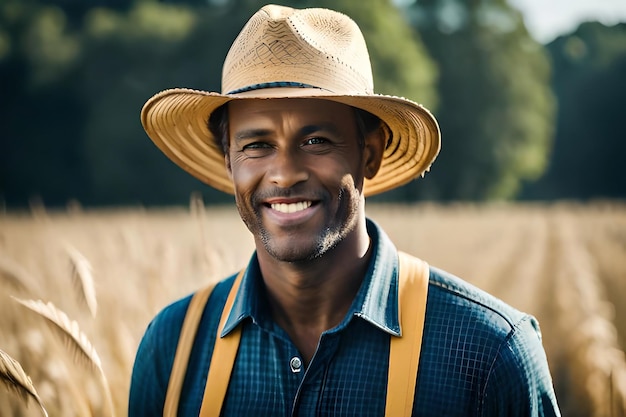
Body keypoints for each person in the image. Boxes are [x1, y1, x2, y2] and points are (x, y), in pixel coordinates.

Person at [129, 4, 560, 416]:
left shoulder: (489, 354)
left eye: (316, 141)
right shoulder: (173, 348)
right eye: (256, 145)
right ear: (229, 163)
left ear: (369, 153)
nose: (284, 174)